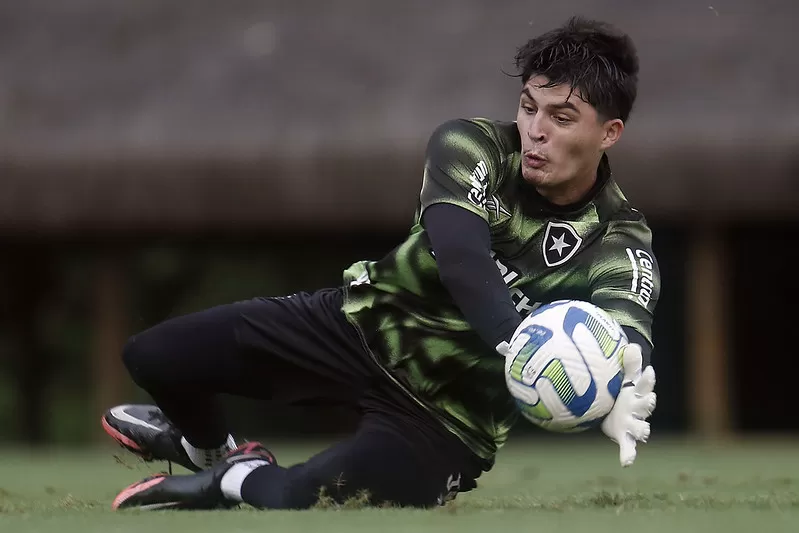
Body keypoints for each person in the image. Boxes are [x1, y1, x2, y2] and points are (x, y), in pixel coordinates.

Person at [105, 16, 660, 511]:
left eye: (562, 117)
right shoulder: (472, 144)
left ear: (609, 133)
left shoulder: (620, 240)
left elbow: (627, 331)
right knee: (153, 355)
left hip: (447, 421)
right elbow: (460, 255)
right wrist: (519, 346)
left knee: (305, 494)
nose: (536, 129)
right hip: (358, 326)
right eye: (528, 106)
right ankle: (207, 451)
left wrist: (615, 387)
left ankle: (232, 481)